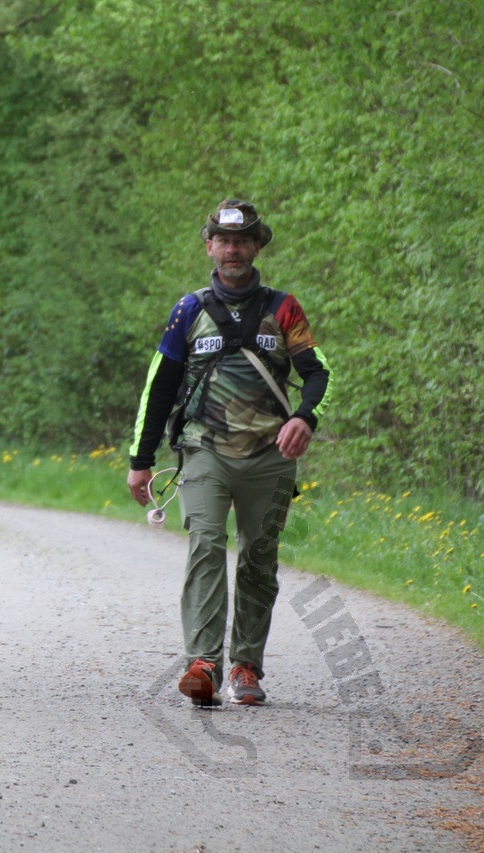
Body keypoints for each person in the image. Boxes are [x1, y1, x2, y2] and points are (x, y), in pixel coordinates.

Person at [126, 199, 332, 707]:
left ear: (258, 246)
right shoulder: (188, 310)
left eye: (242, 240)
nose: (233, 249)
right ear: (209, 246)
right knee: (206, 545)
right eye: (223, 240)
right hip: (205, 452)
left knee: (259, 558)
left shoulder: (284, 309)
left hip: (270, 457)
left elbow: (318, 372)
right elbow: (159, 386)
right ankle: (203, 665)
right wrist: (140, 460)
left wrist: (305, 417)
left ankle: (245, 666)